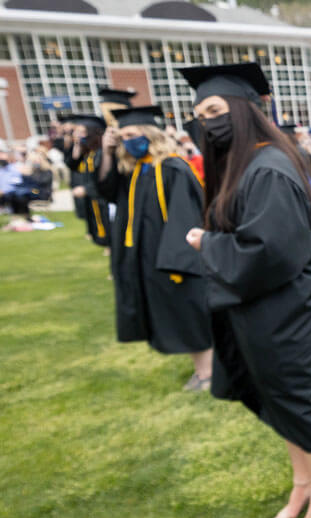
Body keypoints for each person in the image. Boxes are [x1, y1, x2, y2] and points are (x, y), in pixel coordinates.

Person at [179, 62, 311, 518]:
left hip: (282, 314)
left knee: (300, 404)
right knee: (281, 402)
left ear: (242, 109)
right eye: (198, 113)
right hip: (260, 311)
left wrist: (205, 245)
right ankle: (303, 488)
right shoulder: (249, 162)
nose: (204, 121)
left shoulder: (268, 167)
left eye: (213, 110)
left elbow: (270, 253)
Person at [96, 106, 213, 390]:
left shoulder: (173, 167)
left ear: (150, 135)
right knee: (175, 313)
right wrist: (107, 152)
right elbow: (105, 189)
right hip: (147, 257)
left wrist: (176, 258)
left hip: (173, 257)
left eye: (132, 135)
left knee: (188, 311)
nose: (127, 141)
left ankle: (207, 373)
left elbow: (187, 215)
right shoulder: (135, 170)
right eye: (122, 136)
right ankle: (205, 370)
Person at [65, 114, 111, 248]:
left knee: (106, 220)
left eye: (81, 132)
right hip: (93, 197)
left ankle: (109, 244)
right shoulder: (89, 154)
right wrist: (77, 146)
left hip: (102, 196)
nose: (77, 135)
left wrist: (86, 189)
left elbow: (105, 178)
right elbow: (72, 165)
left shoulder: (101, 153)